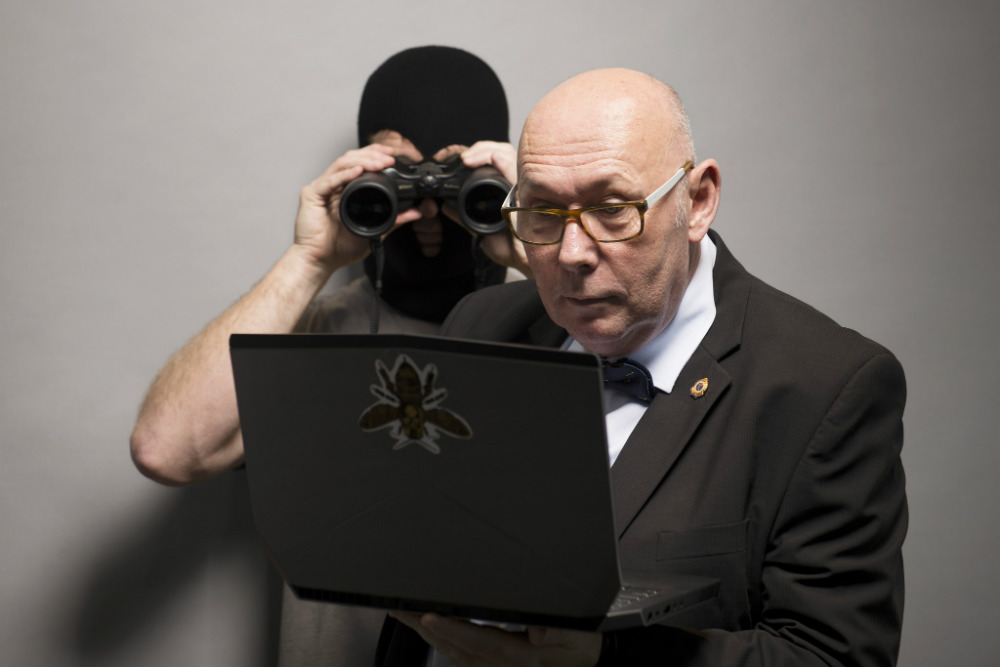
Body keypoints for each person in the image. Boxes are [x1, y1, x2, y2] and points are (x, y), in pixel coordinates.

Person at [384, 68, 908, 666]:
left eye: (612, 209)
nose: (573, 255)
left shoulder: (828, 386)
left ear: (697, 201)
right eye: (544, 214)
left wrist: (601, 661)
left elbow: (832, 657)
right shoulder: (480, 323)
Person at [129, 46, 524, 666]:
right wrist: (308, 259)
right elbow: (167, 449)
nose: (428, 211)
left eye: (457, 178)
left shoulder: (568, 328)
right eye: (398, 172)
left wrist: (542, 243)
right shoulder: (309, 336)